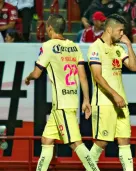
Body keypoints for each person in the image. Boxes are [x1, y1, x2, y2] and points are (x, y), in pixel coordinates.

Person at [24, 14, 100, 171]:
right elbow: (83, 76)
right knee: (46, 140)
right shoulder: (74, 46)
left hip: (62, 103)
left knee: (75, 142)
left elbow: (37, 74)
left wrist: (28, 77)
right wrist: (86, 99)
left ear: (50, 28)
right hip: (68, 101)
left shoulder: (48, 46)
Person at [87, 14, 136, 171]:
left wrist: (129, 46)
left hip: (121, 103)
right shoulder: (95, 47)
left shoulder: (118, 48)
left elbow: (134, 67)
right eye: (120, 30)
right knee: (102, 141)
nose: (122, 34)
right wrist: (115, 94)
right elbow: (97, 76)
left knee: (124, 140)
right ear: (109, 29)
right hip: (104, 102)